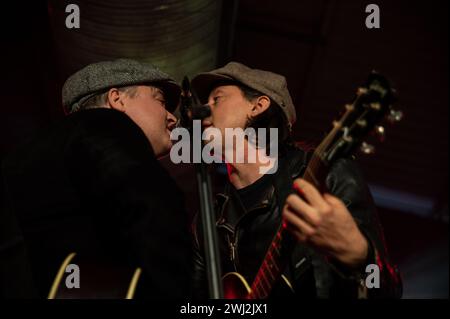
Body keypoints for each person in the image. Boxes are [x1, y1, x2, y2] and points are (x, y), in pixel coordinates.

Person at [190, 62, 402, 298]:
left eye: (216, 99)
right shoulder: (208, 221)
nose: (203, 111)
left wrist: (361, 256)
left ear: (258, 105)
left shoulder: (324, 174)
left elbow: (388, 291)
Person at [0, 58, 192, 298]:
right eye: (160, 101)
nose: (172, 118)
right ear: (117, 99)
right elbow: (154, 205)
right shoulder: (107, 124)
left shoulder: (26, 153)